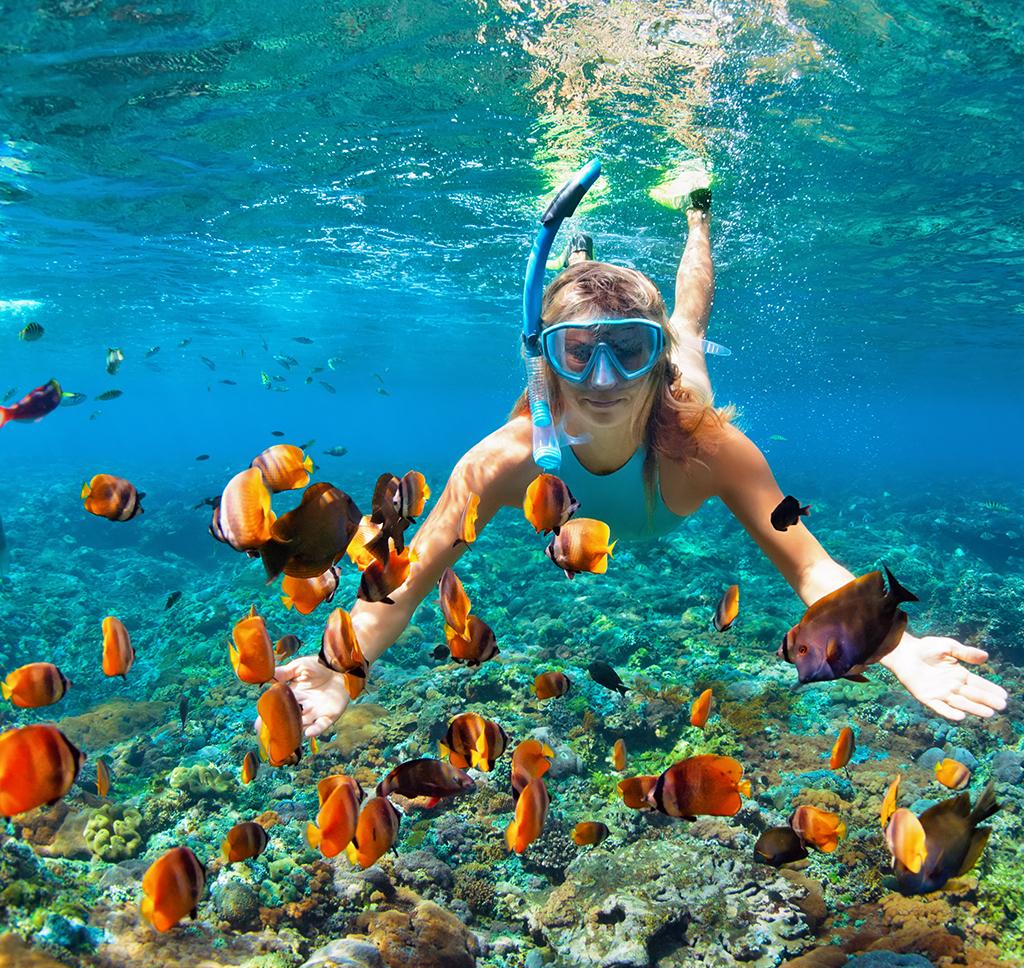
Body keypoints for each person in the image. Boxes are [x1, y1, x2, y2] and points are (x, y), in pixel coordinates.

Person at [274, 177, 1008, 737]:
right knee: (593, 302)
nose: (602, 380)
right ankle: (580, 260)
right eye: (577, 352)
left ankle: (696, 212)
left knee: (688, 320)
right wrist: (345, 663)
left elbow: (812, 566)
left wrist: (893, 643)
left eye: (630, 350)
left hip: (680, 391)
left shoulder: (708, 446)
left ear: (657, 365)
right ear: (547, 363)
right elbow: (408, 577)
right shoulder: (505, 459)